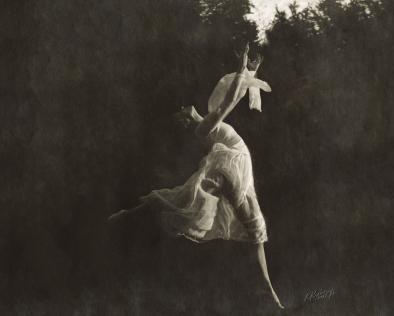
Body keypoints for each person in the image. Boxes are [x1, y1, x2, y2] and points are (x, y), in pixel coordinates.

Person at [108, 44, 284, 309]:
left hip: (238, 167)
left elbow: (233, 99)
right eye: (181, 111)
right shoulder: (203, 128)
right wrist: (240, 68)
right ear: (185, 121)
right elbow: (227, 103)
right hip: (232, 167)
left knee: (255, 230)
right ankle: (130, 214)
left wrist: (250, 72)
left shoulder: (208, 118)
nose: (184, 106)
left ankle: (271, 298)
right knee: (241, 224)